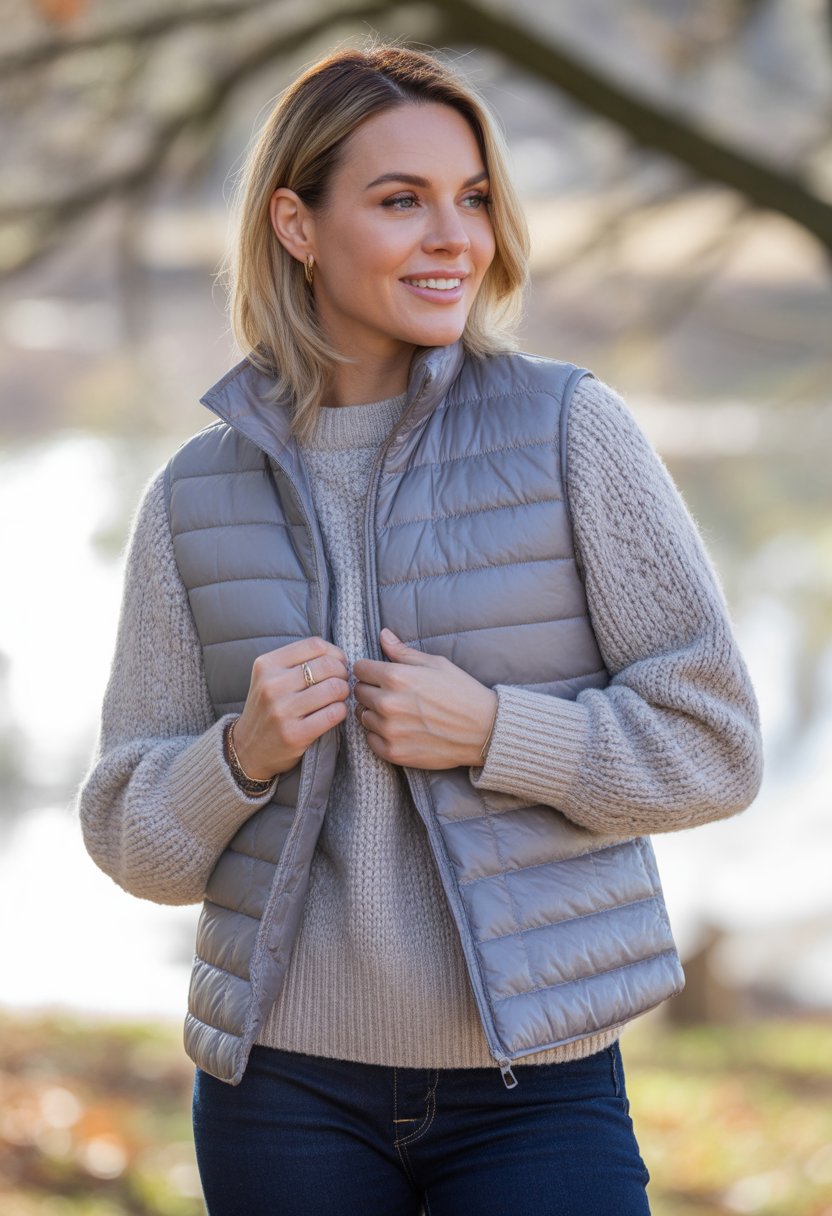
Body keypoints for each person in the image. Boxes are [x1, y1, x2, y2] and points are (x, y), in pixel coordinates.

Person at [77, 41, 763, 1216]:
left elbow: (718, 745)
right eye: (402, 200)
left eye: (474, 198)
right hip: (279, 1092)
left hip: (536, 1085)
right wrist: (237, 756)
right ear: (296, 223)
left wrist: (497, 730)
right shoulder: (192, 494)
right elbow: (131, 840)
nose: (455, 237)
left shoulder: (570, 431)